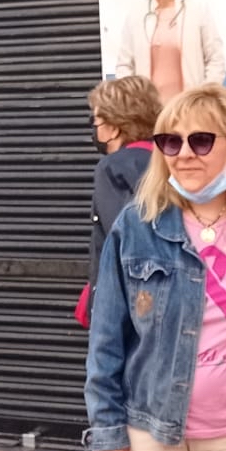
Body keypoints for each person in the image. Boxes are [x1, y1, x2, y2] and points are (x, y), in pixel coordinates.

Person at [86, 84, 226, 451]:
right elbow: (106, 337)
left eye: (202, 140)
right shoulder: (136, 225)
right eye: (171, 141)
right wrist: (107, 431)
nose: (185, 153)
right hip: (152, 431)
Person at [86, 75, 163, 324]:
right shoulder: (168, 159)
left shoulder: (112, 168)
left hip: (127, 305)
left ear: (115, 126)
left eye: (96, 120)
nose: (94, 128)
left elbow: (118, 238)